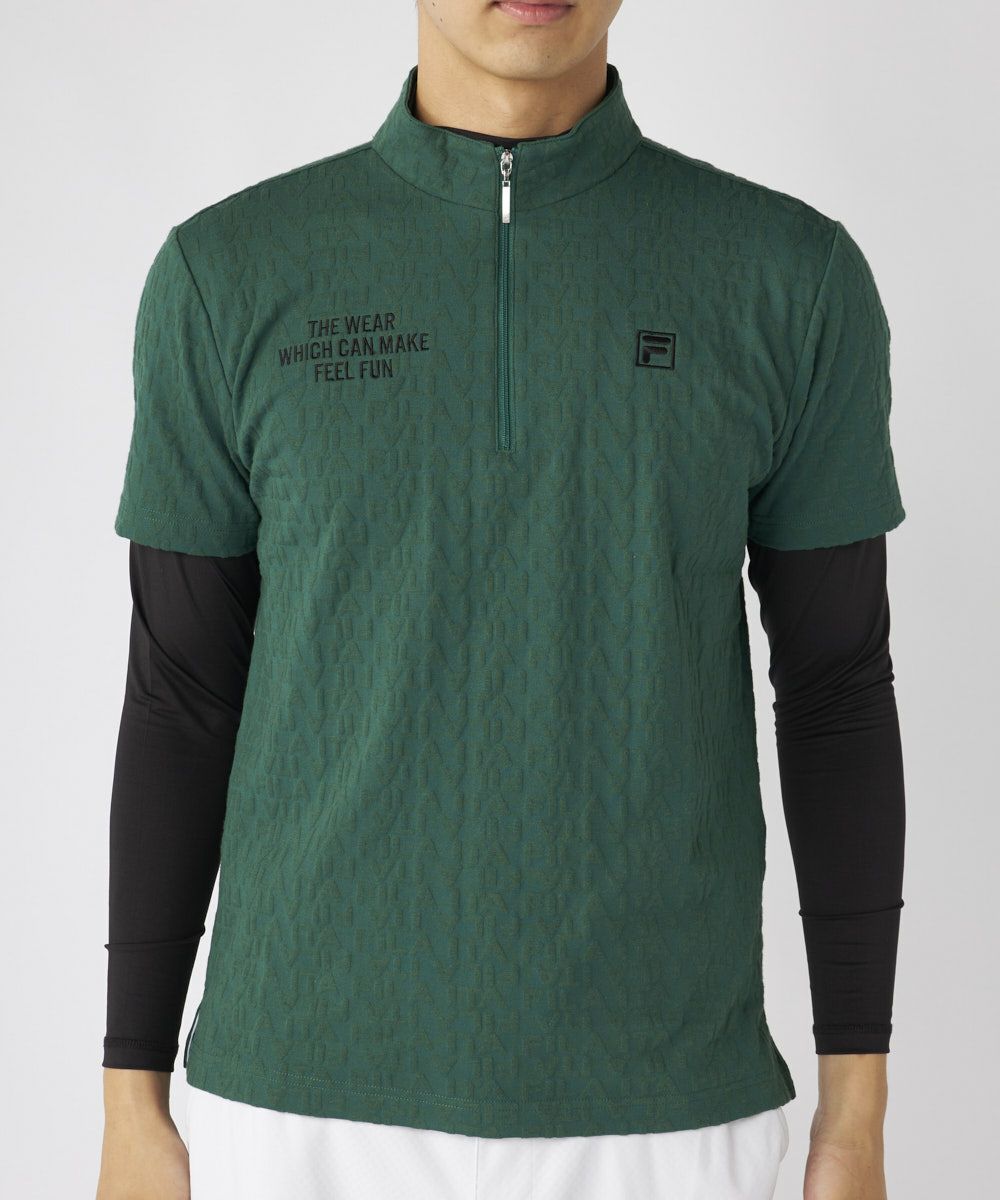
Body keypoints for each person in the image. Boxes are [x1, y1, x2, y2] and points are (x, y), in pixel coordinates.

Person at [95, 2, 907, 1198]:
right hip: (293, 1106)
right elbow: (180, 696)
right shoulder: (227, 274)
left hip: (663, 1115)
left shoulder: (788, 275)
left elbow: (836, 692)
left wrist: (855, 1115)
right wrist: (130, 1099)